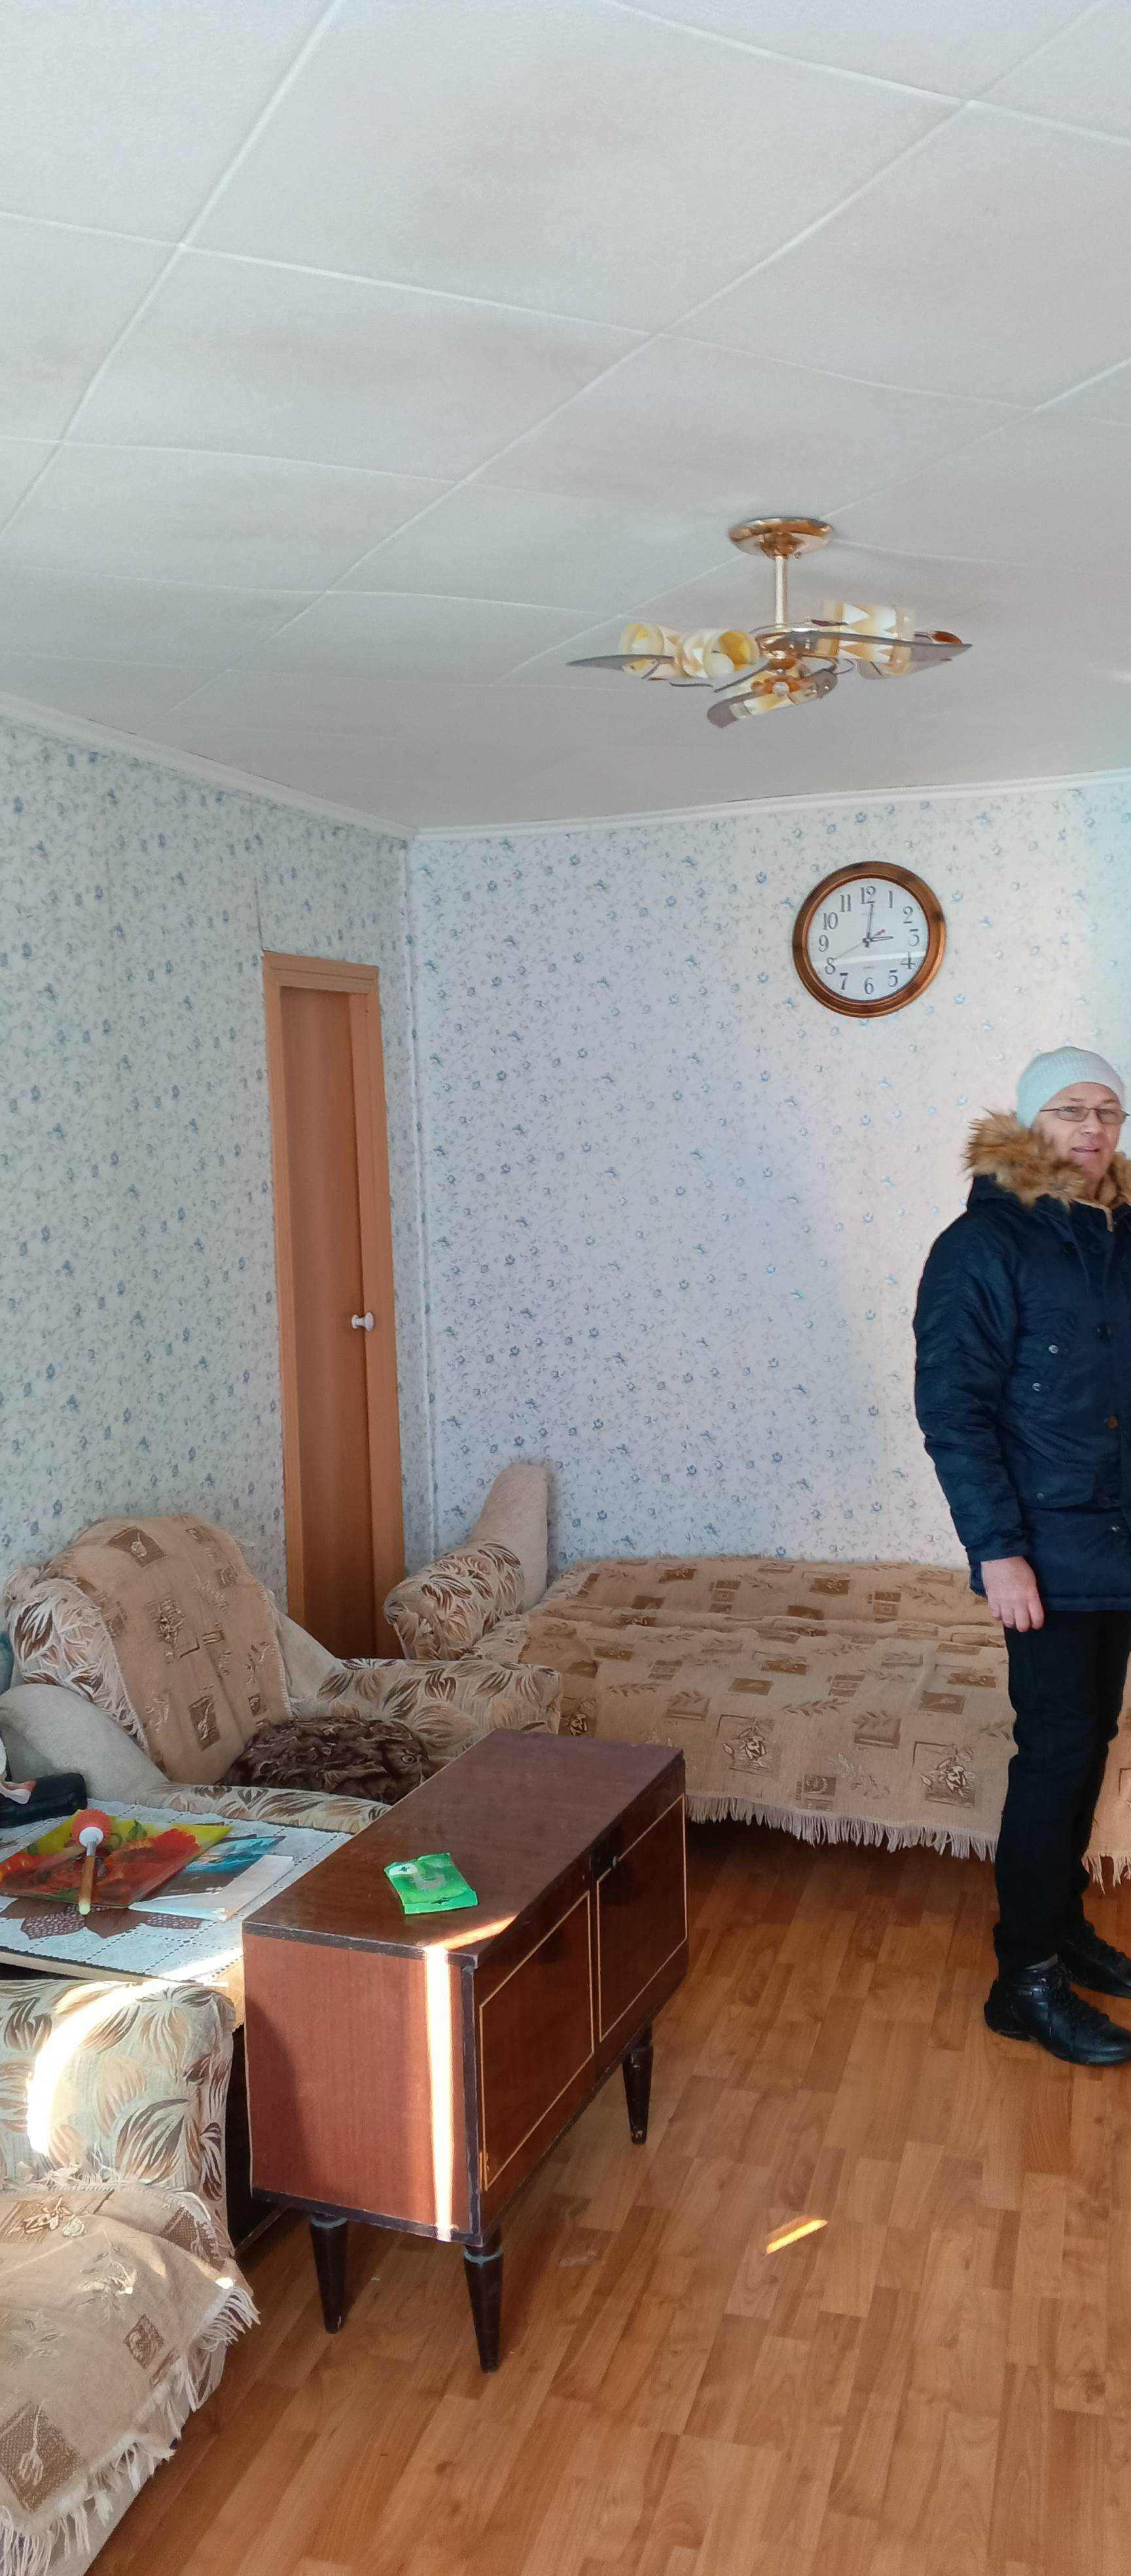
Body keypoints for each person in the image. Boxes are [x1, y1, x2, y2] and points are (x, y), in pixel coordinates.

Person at [914, 1046, 1131, 2066]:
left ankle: (1063, 1927)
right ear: (1032, 1122)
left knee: (1089, 1742)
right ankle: (1024, 1978)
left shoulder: (1120, 1232)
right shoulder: (983, 1244)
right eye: (1071, 1109)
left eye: (1109, 1112)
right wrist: (998, 1553)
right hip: (1042, 1552)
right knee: (1055, 1753)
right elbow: (954, 1411)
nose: (1093, 1129)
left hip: (1118, 1543)